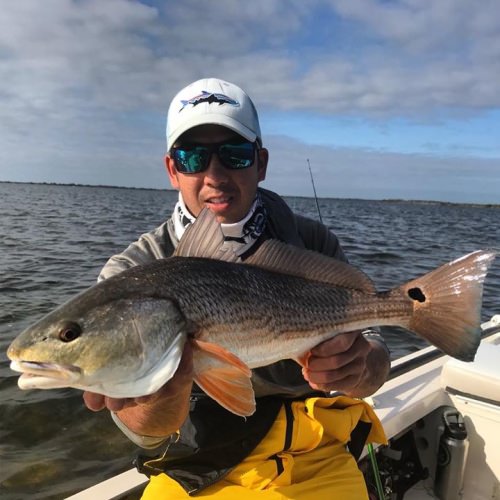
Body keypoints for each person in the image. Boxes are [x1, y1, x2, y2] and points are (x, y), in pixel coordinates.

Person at [83, 78, 391, 499]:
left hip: (315, 450)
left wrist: (360, 366)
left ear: (260, 163)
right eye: (192, 157)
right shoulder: (133, 272)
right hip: (197, 469)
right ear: (173, 169)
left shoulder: (312, 242)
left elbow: (373, 359)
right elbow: (145, 434)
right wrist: (161, 398)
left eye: (235, 154)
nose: (214, 175)